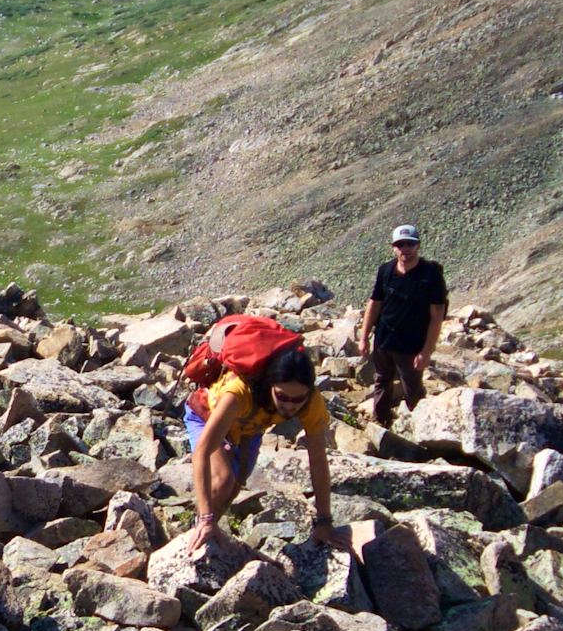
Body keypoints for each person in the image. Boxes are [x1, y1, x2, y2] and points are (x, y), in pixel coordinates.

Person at [177, 313, 341, 554]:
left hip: (249, 429)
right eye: (282, 397)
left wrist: (325, 522)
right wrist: (206, 518)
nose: (290, 406)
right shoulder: (239, 393)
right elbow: (203, 451)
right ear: (269, 385)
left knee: (233, 489)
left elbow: (318, 460)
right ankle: (197, 534)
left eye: (298, 399)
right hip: (206, 415)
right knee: (223, 481)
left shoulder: (311, 402)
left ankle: (205, 536)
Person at [356, 224, 448, 428]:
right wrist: (363, 337)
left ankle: (421, 428)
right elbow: (375, 303)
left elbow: (437, 314)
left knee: (412, 387)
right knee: (382, 379)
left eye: (410, 244)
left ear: (418, 246)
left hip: (412, 343)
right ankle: (380, 421)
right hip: (384, 338)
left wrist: (427, 351)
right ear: (393, 247)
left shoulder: (431, 273)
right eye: (400, 245)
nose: (405, 249)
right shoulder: (385, 270)